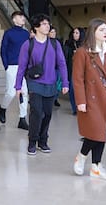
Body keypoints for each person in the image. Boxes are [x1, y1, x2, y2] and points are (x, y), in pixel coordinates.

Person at [72, 18, 106, 180]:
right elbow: (77, 78)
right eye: (101, 30)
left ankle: (94, 165)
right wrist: (80, 101)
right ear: (93, 32)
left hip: (105, 97)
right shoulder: (83, 52)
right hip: (90, 98)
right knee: (97, 131)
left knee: (100, 132)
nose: (105, 33)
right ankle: (85, 158)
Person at [14, 13, 69, 156]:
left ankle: (43, 141)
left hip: (50, 83)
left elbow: (62, 64)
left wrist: (65, 82)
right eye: (44, 24)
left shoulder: (55, 44)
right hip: (35, 83)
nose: (47, 26)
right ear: (36, 27)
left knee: (48, 114)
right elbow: (22, 67)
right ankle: (33, 141)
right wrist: (18, 86)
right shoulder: (28, 45)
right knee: (36, 113)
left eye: (48, 23)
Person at [0, 11, 31, 130]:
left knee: (24, 92)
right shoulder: (8, 33)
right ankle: (3, 107)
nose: (23, 18)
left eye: (23, 16)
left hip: (23, 67)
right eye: (20, 17)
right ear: (14, 20)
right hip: (12, 66)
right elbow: (3, 50)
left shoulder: (26, 34)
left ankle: (22, 118)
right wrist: (6, 65)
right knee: (11, 93)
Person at [64, 27, 85, 115]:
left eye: (77, 33)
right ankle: (75, 108)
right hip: (72, 68)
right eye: (74, 33)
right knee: (72, 89)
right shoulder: (69, 44)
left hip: (82, 70)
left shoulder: (84, 45)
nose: (75, 34)